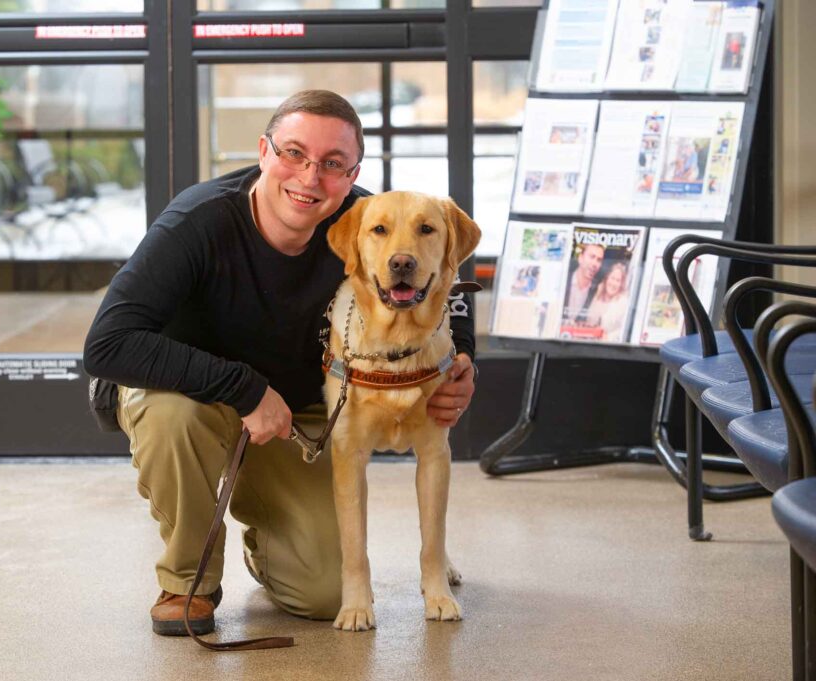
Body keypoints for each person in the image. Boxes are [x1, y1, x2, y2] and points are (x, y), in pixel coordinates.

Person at [82, 90, 477, 637]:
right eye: (294, 153)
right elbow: (105, 344)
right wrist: (243, 388)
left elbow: (446, 276)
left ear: (351, 173)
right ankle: (186, 579)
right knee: (175, 418)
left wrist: (464, 361)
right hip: (190, 399)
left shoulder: (366, 221)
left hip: (291, 418)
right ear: (264, 151)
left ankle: (268, 539)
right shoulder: (197, 222)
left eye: (332, 164)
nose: (311, 177)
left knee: (326, 592)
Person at [585, 261, 630, 342]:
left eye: (618, 280)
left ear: (621, 284)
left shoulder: (623, 302)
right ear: (607, 278)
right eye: (612, 278)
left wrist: (609, 337)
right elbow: (589, 320)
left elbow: (625, 328)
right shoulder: (598, 296)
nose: (614, 283)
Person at [562, 242, 604, 323]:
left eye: (599, 260)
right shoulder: (564, 280)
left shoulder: (597, 290)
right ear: (580, 258)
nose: (595, 264)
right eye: (592, 257)